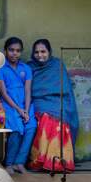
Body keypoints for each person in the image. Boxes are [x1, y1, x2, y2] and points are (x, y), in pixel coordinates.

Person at [28, 39, 79, 172]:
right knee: (46, 118)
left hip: (57, 101)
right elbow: (29, 89)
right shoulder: (30, 67)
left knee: (60, 120)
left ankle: (58, 162)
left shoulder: (57, 65)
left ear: (49, 52)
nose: (40, 55)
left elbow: (66, 89)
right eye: (37, 52)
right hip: (38, 101)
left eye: (43, 51)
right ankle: (40, 160)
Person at [0, 37, 37, 174]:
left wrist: (26, 110)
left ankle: (19, 162)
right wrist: (19, 110)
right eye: (11, 50)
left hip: (25, 104)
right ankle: (9, 163)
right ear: (5, 51)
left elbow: (27, 90)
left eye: (18, 51)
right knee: (16, 129)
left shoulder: (26, 68)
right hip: (9, 105)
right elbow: (3, 93)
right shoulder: (1, 68)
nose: (14, 53)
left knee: (31, 126)